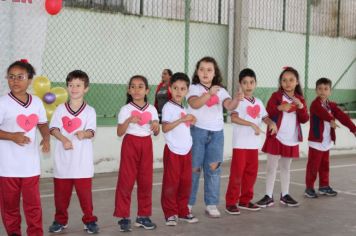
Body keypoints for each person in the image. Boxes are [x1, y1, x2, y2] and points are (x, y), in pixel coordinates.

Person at [187, 56, 243, 218]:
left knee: (213, 169)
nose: (205, 73)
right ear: (197, 72)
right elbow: (194, 104)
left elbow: (229, 106)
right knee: (194, 168)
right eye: (202, 69)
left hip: (217, 134)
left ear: (214, 73)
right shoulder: (194, 88)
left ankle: (211, 204)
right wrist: (209, 94)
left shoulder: (221, 90)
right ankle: (188, 203)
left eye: (209, 70)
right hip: (197, 132)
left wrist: (237, 100)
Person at [0, 59, 50, 236]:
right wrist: (12, 136)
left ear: (29, 80)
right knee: (10, 206)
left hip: (30, 166)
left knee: (33, 206)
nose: (15, 81)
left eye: (20, 77)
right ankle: (14, 233)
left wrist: (46, 138)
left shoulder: (36, 102)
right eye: (11, 77)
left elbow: (43, 123)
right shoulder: (3, 102)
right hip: (7, 167)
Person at [48, 70, 99, 234]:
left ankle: (89, 220)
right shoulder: (60, 109)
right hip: (63, 162)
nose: (74, 88)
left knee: (85, 197)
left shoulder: (90, 111)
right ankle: (60, 220)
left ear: (86, 88)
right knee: (61, 197)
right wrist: (64, 139)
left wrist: (83, 134)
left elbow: (91, 132)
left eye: (78, 85)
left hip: (82, 163)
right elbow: (53, 128)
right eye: (71, 85)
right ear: (67, 87)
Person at [225, 68, 277, 215]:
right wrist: (251, 124)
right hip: (240, 145)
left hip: (253, 146)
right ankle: (231, 202)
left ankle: (245, 200)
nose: (248, 85)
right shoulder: (238, 101)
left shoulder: (259, 102)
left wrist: (271, 122)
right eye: (245, 82)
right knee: (237, 174)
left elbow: (264, 117)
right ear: (240, 84)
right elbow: (234, 118)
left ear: (255, 84)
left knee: (251, 174)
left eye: (251, 82)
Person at [256, 67, 309, 208]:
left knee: (286, 167)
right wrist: (280, 108)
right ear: (281, 82)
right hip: (276, 136)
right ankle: (268, 196)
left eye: (291, 80)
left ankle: (285, 195)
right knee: (271, 167)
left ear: (297, 82)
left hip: (290, 138)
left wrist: (301, 106)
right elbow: (267, 112)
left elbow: (304, 119)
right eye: (284, 80)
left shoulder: (300, 99)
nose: (288, 83)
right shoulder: (276, 96)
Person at [114, 75, 160, 232]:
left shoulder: (152, 109)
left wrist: (155, 126)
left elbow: (156, 131)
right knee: (126, 181)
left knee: (146, 181)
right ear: (128, 90)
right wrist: (128, 121)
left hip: (146, 144)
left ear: (147, 90)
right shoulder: (125, 109)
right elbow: (120, 132)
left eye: (140, 86)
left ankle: (143, 216)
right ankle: (124, 217)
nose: (136, 89)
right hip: (130, 144)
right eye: (132, 86)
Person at [305, 78, 356, 198]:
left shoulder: (331, 105)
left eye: (326, 89)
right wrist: (330, 120)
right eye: (320, 89)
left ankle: (324, 186)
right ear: (316, 90)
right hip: (316, 142)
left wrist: (353, 128)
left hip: (327, 142)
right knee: (313, 166)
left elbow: (343, 116)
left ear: (330, 91)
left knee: (324, 166)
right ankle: (309, 188)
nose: (323, 91)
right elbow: (322, 113)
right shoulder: (314, 104)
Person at [160, 72, 198, 226]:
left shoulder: (185, 106)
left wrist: (191, 120)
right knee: (171, 182)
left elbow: (185, 126)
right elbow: (165, 127)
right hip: (173, 150)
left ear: (187, 91)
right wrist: (182, 119)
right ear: (170, 89)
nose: (178, 91)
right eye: (175, 88)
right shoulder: (168, 107)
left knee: (185, 182)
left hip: (186, 150)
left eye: (182, 89)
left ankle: (183, 211)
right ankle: (170, 213)